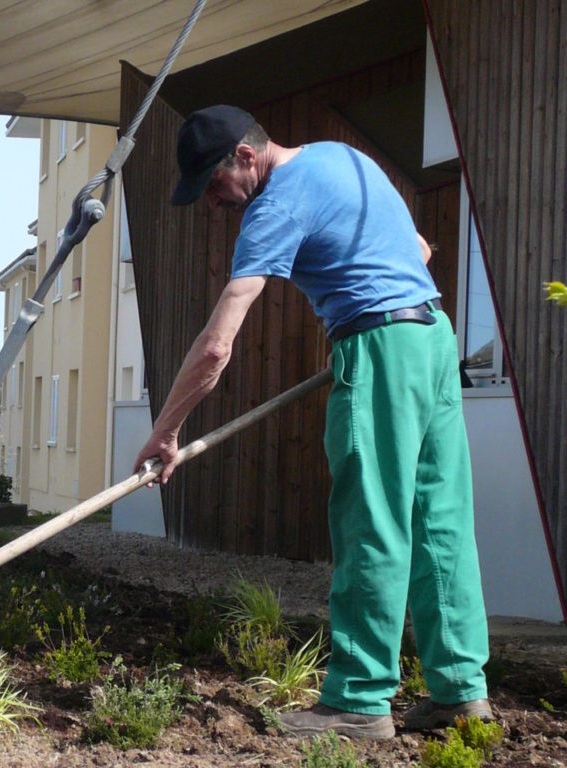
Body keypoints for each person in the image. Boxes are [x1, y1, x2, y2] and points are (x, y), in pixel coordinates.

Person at [134, 105, 492, 740]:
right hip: (433, 337)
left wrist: (166, 429)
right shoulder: (342, 157)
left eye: (214, 186)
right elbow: (419, 248)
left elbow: (218, 346)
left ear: (246, 156)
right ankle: (461, 690)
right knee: (439, 520)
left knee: (372, 523)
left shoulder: (274, 207)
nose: (216, 203)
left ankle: (358, 699)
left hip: (380, 348)